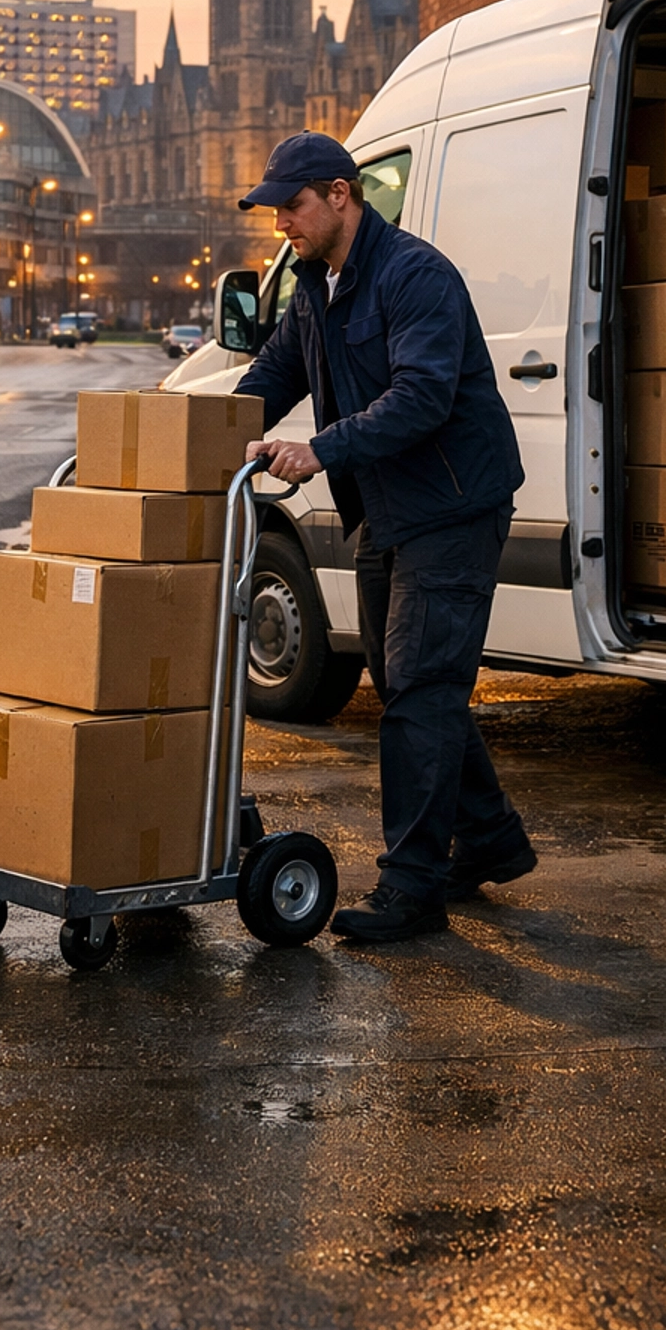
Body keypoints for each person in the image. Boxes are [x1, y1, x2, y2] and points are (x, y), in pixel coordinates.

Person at [234, 130, 536, 941]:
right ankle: (489, 838)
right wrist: (197, 437)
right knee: (410, 682)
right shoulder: (316, 288)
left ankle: (413, 888)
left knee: (420, 685)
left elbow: (422, 397)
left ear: (340, 194)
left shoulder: (414, 274)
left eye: (292, 207)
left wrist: (318, 448)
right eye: (274, 212)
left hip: (453, 503)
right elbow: (270, 377)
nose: (282, 225)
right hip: (386, 509)